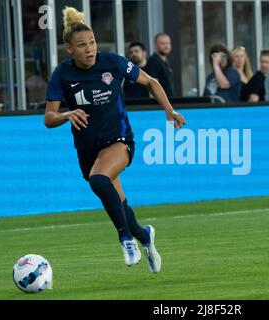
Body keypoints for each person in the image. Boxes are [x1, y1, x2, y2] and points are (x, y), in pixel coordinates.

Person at [44, 7, 185, 273]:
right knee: (119, 205)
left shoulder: (113, 63)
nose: (89, 49)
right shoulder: (62, 74)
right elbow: (48, 118)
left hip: (119, 141)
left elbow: (152, 82)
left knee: (99, 180)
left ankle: (125, 240)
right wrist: (67, 114)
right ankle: (144, 237)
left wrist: (169, 110)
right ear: (69, 49)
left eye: (92, 42)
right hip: (88, 149)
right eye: (82, 45)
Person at [146, 33, 175, 97]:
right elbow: (153, 86)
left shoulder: (165, 61)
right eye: (162, 43)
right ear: (156, 45)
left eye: (168, 43)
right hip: (160, 104)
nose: (166, 46)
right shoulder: (153, 61)